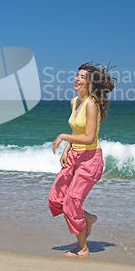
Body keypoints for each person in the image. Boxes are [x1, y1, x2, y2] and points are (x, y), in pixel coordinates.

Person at [48, 62, 116, 257]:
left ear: (90, 84)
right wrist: (66, 150)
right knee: (56, 198)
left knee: (71, 202)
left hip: (90, 160)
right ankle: (88, 218)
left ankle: (82, 247)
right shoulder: (74, 102)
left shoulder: (92, 105)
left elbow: (88, 137)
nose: (77, 79)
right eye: (77, 75)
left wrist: (63, 137)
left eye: (82, 77)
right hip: (74, 156)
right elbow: (76, 131)